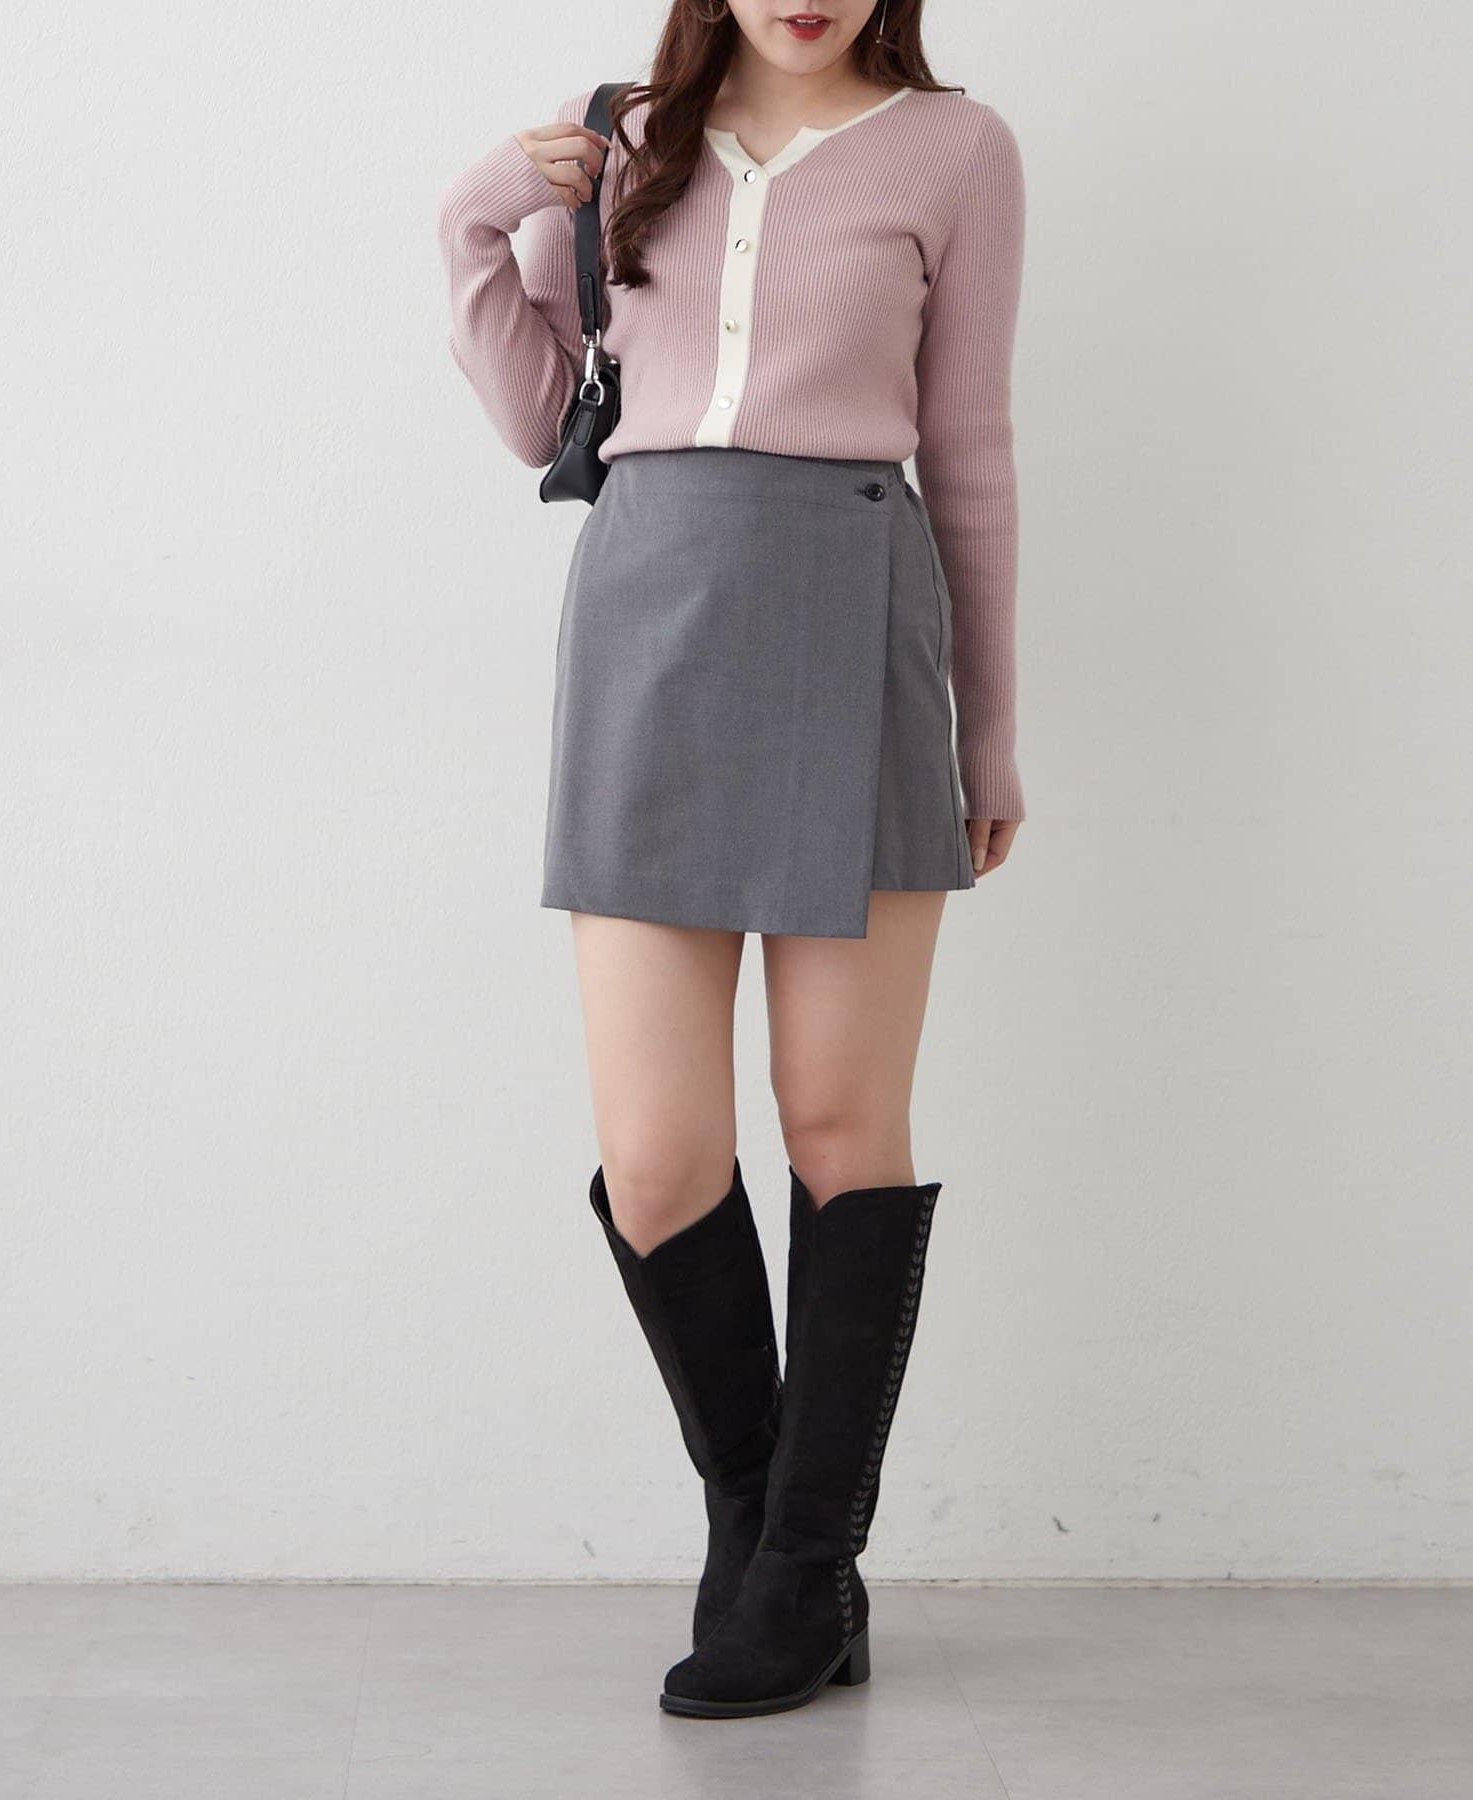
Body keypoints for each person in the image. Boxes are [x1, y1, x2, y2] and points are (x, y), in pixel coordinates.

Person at [436, 0, 1025, 1718]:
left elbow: (969, 447)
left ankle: (792, 1570)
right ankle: (777, 1545)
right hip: (650, 612)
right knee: (658, 1158)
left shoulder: (957, 150)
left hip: (855, 606)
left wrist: (989, 732)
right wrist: (481, 211)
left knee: (840, 1123)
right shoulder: (627, 140)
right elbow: (536, 414)